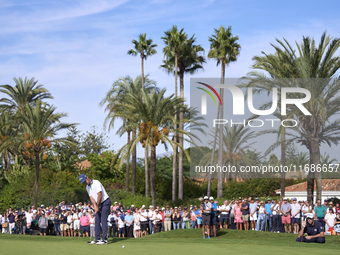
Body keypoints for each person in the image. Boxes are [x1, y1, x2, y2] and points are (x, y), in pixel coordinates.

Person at [79, 174, 111, 245]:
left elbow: (100, 195)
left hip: (105, 202)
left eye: (85, 181)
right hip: (98, 203)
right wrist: (94, 205)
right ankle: (97, 238)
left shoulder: (96, 182)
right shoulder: (87, 187)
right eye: (83, 182)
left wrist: (97, 206)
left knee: (103, 220)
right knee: (97, 220)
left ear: (87, 177)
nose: (85, 183)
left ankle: (104, 239)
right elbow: (91, 197)